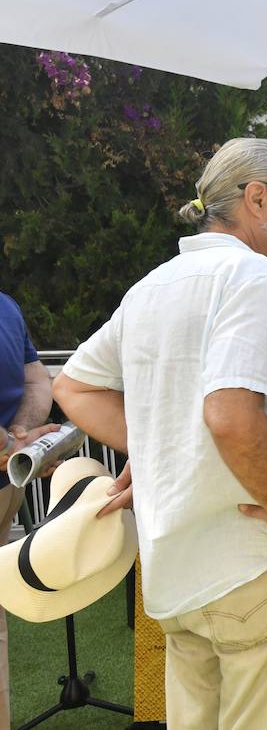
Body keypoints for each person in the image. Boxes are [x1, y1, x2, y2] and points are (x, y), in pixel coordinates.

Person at [52, 138, 267, 730]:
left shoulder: (153, 285)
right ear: (257, 198)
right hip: (260, 567)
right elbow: (231, 414)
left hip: (178, 576)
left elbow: (73, 387)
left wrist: (159, 445)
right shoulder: (253, 276)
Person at [0, 292, 60, 729]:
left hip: (7, 484)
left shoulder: (7, 304)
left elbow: (38, 381)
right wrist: (13, 446)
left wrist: (21, 440)